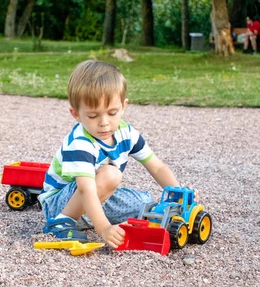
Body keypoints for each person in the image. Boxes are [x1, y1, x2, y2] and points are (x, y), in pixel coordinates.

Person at [38, 60, 185, 249]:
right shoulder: (80, 142)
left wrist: (179, 194)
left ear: (124, 106)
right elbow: (86, 189)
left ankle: (89, 218)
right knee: (111, 174)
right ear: (76, 114)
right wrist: (104, 228)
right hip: (60, 203)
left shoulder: (127, 133)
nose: (104, 123)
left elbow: (157, 167)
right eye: (93, 116)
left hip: (97, 197)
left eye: (112, 113)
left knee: (146, 203)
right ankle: (62, 222)